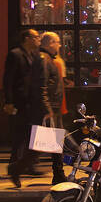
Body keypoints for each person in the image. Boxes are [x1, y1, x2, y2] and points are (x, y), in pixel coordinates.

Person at [3, 28, 50, 188]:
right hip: (19, 102)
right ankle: (16, 166)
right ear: (27, 39)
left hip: (31, 103)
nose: (38, 40)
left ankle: (23, 166)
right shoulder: (16, 54)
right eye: (36, 37)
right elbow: (8, 79)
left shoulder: (35, 55)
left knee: (32, 137)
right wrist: (8, 101)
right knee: (22, 137)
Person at [36, 31, 67, 182]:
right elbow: (42, 85)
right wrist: (47, 108)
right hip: (51, 109)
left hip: (53, 108)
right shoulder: (44, 59)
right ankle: (59, 175)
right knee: (54, 144)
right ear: (50, 43)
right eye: (57, 42)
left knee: (53, 144)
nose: (59, 45)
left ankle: (59, 174)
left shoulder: (48, 59)